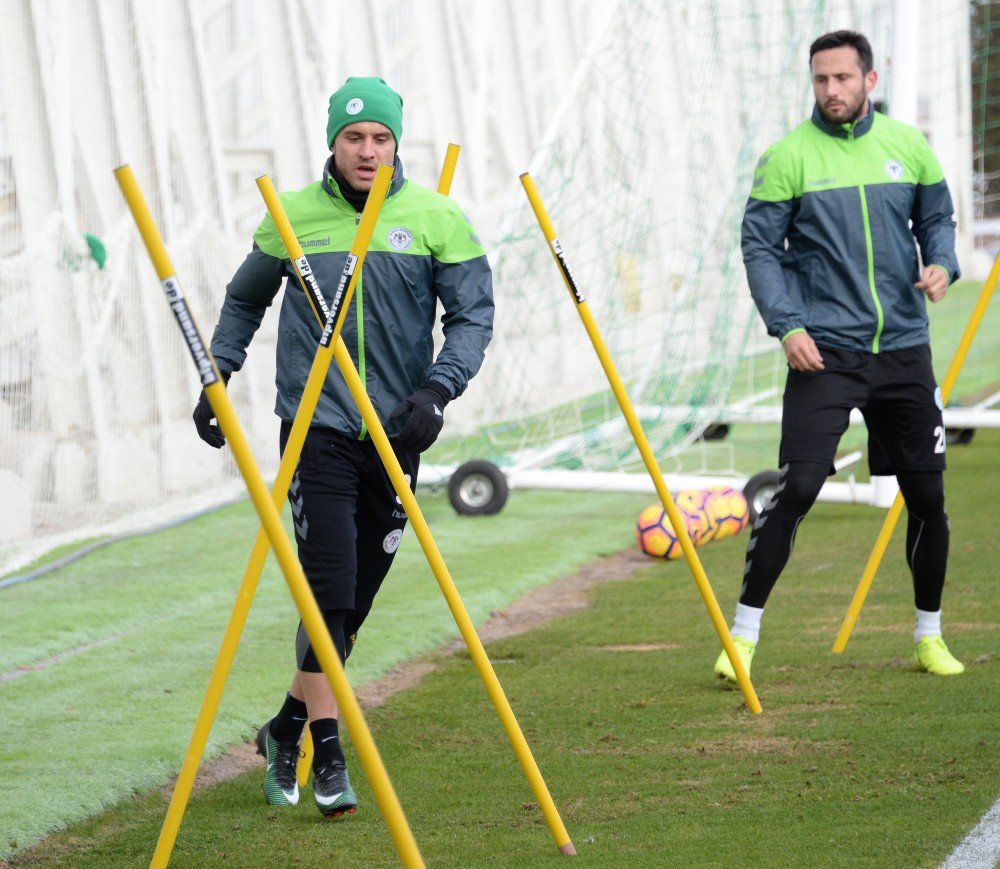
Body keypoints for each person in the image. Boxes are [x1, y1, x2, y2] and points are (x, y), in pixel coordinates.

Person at [193, 77, 494, 816]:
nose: (367, 151)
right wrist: (217, 372)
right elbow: (244, 298)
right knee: (328, 590)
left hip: (395, 436)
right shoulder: (291, 217)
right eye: (354, 138)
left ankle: (285, 727)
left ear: (397, 145)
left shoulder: (436, 217)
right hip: (315, 429)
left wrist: (437, 390)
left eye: (380, 139)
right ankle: (328, 755)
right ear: (333, 142)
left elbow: (473, 316)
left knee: (348, 610)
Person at [714, 30, 964, 684]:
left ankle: (928, 636)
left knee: (928, 496)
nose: (830, 91)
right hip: (824, 352)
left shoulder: (909, 147)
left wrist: (941, 262)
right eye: (821, 80)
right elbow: (759, 249)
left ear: (869, 81)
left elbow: (938, 219)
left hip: (905, 349)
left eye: (842, 79)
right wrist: (786, 324)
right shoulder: (787, 157)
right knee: (797, 486)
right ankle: (741, 636)